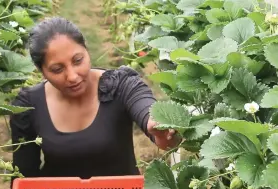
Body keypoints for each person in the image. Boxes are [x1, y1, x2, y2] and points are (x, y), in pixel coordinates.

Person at [10, 17, 181, 179]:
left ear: (87, 50)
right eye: (57, 69)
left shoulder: (120, 86)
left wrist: (158, 125)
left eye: (78, 61)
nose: (72, 76)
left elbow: (144, 107)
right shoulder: (27, 107)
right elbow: (23, 178)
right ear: (42, 71)